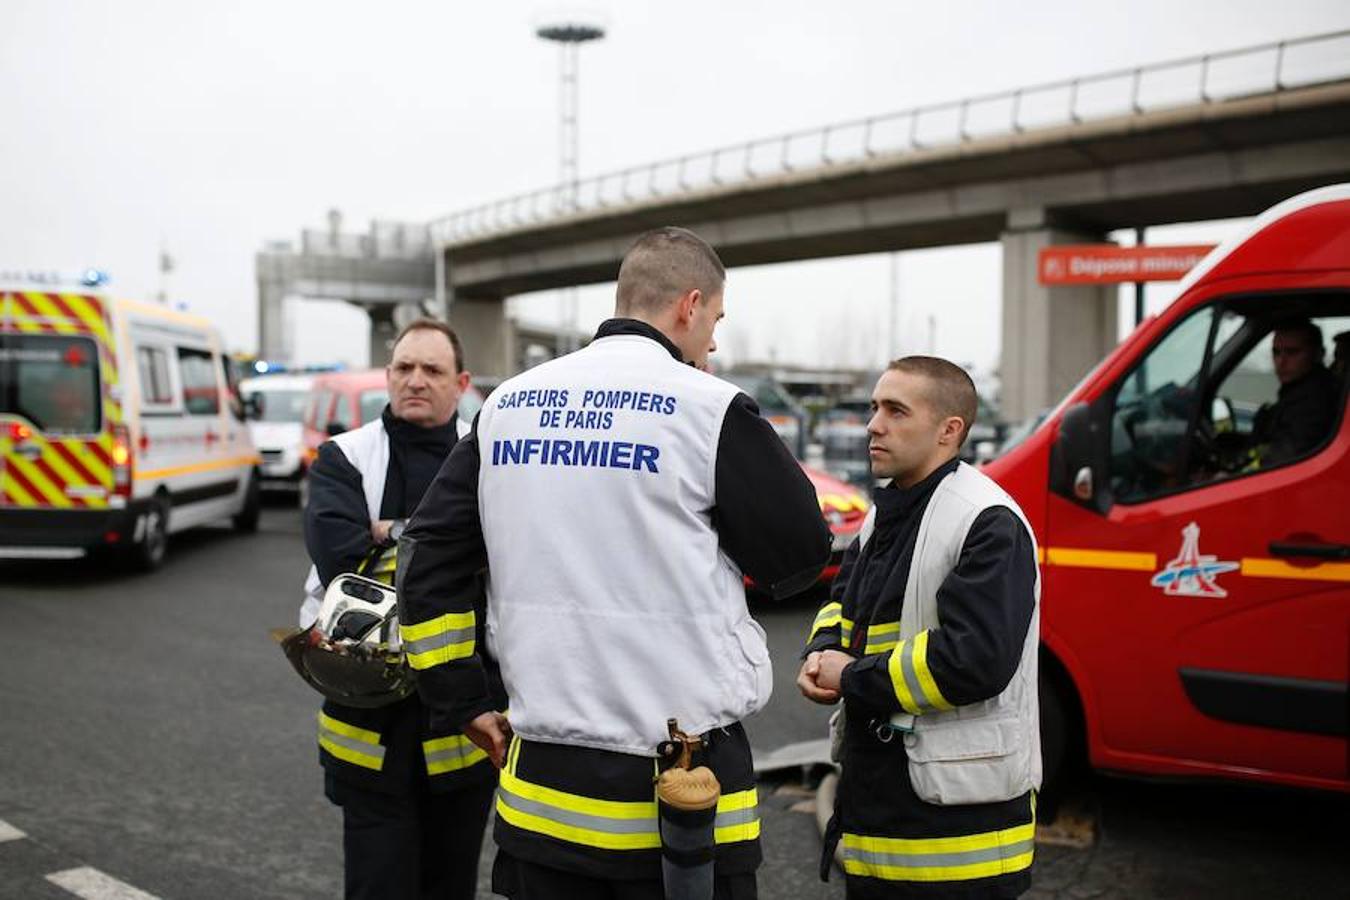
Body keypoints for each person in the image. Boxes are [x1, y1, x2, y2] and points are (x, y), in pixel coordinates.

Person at [396, 226, 831, 899]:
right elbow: (799, 558)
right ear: (688, 305)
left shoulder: (508, 405)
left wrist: (461, 699)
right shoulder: (707, 411)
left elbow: (427, 559)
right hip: (681, 797)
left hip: (541, 789)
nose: (712, 342)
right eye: (715, 319)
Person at [797, 357, 1040, 900]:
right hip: (884, 825)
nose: (873, 424)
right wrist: (820, 653)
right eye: (874, 407)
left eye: (895, 410)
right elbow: (842, 603)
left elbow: (975, 660)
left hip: (959, 849)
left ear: (948, 430)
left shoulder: (986, 521)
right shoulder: (887, 513)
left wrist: (853, 676)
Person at [300, 318, 501, 900]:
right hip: (368, 725)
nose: (416, 380)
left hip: (462, 725)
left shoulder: (489, 460)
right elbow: (340, 557)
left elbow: (506, 558)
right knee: (377, 886)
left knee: (450, 886)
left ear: (461, 382)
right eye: (404, 368)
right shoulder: (345, 456)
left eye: (432, 370)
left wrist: (387, 532)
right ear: (387, 376)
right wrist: (453, 546)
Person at [1248, 318, 1339, 466]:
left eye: (1292, 352)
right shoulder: (1297, 392)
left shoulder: (1316, 401)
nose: (1281, 362)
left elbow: (1282, 460)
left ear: (1318, 354)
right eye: (1276, 352)